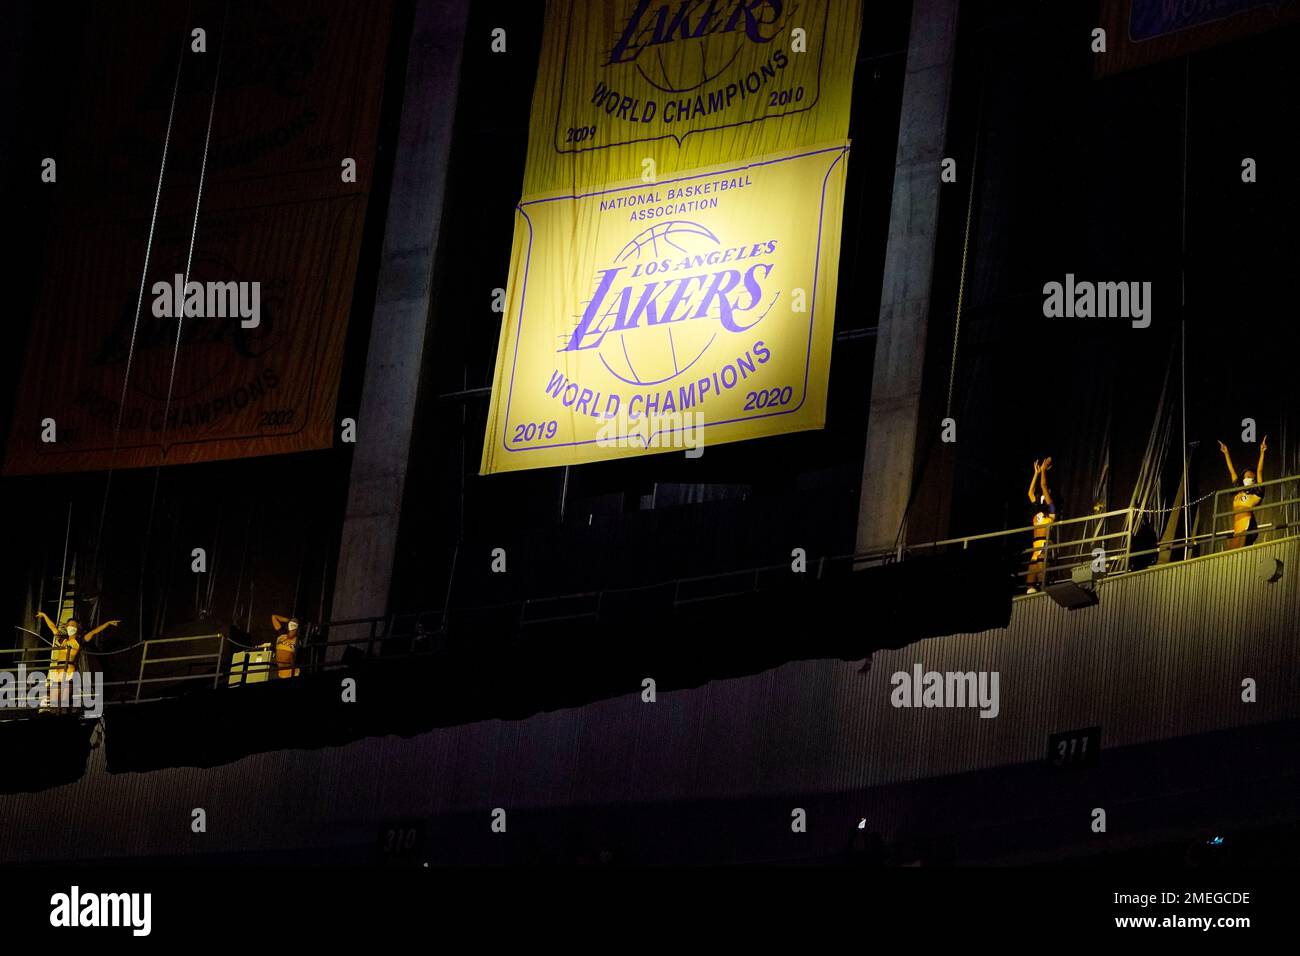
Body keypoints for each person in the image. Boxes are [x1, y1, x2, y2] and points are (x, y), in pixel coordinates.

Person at [34, 613, 120, 703]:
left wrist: (107, 623)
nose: (70, 627)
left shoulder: (78, 641)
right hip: (57, 673)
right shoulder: (63, 641)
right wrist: (44, 616)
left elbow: (94, 632)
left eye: (73, 625)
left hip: (69, 673)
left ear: (77, 628)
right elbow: (53, 628)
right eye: (69, 625)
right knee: (54, 701)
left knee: (63, 701)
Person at [1217, 436, 1267, 549]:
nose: (1247, 478)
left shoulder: (1257, 492)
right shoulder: (1238, 490)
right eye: (1245, 476)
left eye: (1249, 476)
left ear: (1254, 480)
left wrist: (1262, 452)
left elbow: (1259, 470)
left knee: (1238, 553)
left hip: (1248, 526)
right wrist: (1226, 453)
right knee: (1231, 553)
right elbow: (1232, 472)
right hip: (1238, 527)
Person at [1026, 458, 1057, 593]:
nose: (1043, 495)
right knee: (1030, 582)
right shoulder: (1037, 509)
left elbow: (1044, 486)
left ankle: (1044, 588)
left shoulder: (1051, 510)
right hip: (1035, 547)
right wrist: (1036, 473)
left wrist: (1044, 470)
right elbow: (1030, 493)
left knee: (1041, 573)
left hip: (1044, 545)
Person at [270, 614, 302, 678]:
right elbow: (274, 617)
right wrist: (288, 620)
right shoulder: (282, 634)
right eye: (292, 623)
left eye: (295, 624)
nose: (293, 626)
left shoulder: (298, 640)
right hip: (280, 672)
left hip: (291, 672)